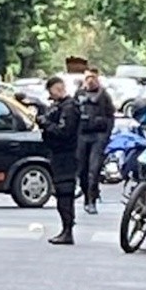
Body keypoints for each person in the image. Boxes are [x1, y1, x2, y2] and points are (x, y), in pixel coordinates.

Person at [38, 77, 80, 245]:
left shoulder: (69, 108)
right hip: (59, 155)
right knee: (61, 192)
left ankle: (67, 230)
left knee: (64, 192)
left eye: (51, 92)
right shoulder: (61, 106)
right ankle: (66, 229)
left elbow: (64, 132)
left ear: (57, 89)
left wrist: (46, 123)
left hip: (66, 155)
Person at [74, 68, 115, 214]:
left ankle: (91, 200)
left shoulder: (104, 95)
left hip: (98, 136)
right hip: (82, 136)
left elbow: (111, 117)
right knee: (82, 170)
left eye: (93, 77)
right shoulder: (79, 94)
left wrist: (106, 136)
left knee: (94, 169)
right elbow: (73, 114)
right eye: (87, 78)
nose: (90, 81)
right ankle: (86, 196)